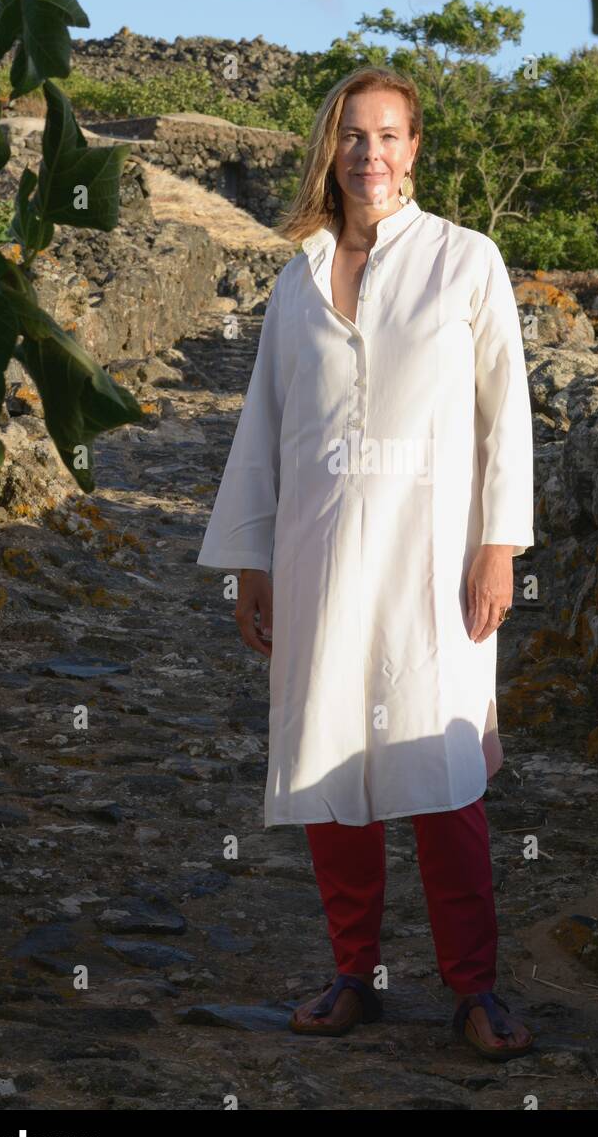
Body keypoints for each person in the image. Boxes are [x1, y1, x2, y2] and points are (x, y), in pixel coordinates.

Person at [196, 65, 536, 1061]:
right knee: (329, 759)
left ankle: (474, 986)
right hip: (318, 556)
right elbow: (264, 422)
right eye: (353, 135)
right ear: (330, 148)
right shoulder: (296, 277)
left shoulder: (465, 262)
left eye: (389, 136)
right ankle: (354, 971)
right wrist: (251, 560)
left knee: (442, 773)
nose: (370, 154)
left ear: (416, 149)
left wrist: (498, 546)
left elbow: (502, 410)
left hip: (431, 560)